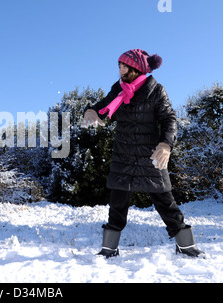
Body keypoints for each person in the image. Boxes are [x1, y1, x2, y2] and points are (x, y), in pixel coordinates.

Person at [82, 49, 205, 258]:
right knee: (117, 203)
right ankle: (109, 249)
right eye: (119, 65)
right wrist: (91, 111)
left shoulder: (155, 90)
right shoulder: (118, 90)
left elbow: (169, 119)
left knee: (165, 201)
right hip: (124, 155)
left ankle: (186, 245)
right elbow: (101, 107)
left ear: (136, 67)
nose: (120, 69)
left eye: (124, 65)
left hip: (151, 155)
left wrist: (166, 144)